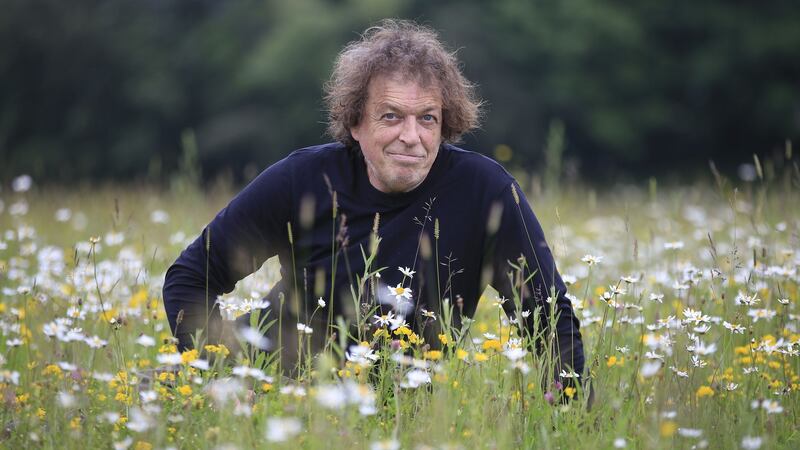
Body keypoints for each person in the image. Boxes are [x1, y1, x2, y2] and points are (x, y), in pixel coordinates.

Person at [163, 20, 585, 386]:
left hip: (403, 408)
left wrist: (573, 416)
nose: (411, 136)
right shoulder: (303, 179)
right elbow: (191, 276)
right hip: (277, 389)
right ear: (355, 122)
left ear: (445, 124)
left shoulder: (485, 192)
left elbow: (549, 318)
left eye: (427, 118)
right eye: (391, 116)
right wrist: (221, 373)